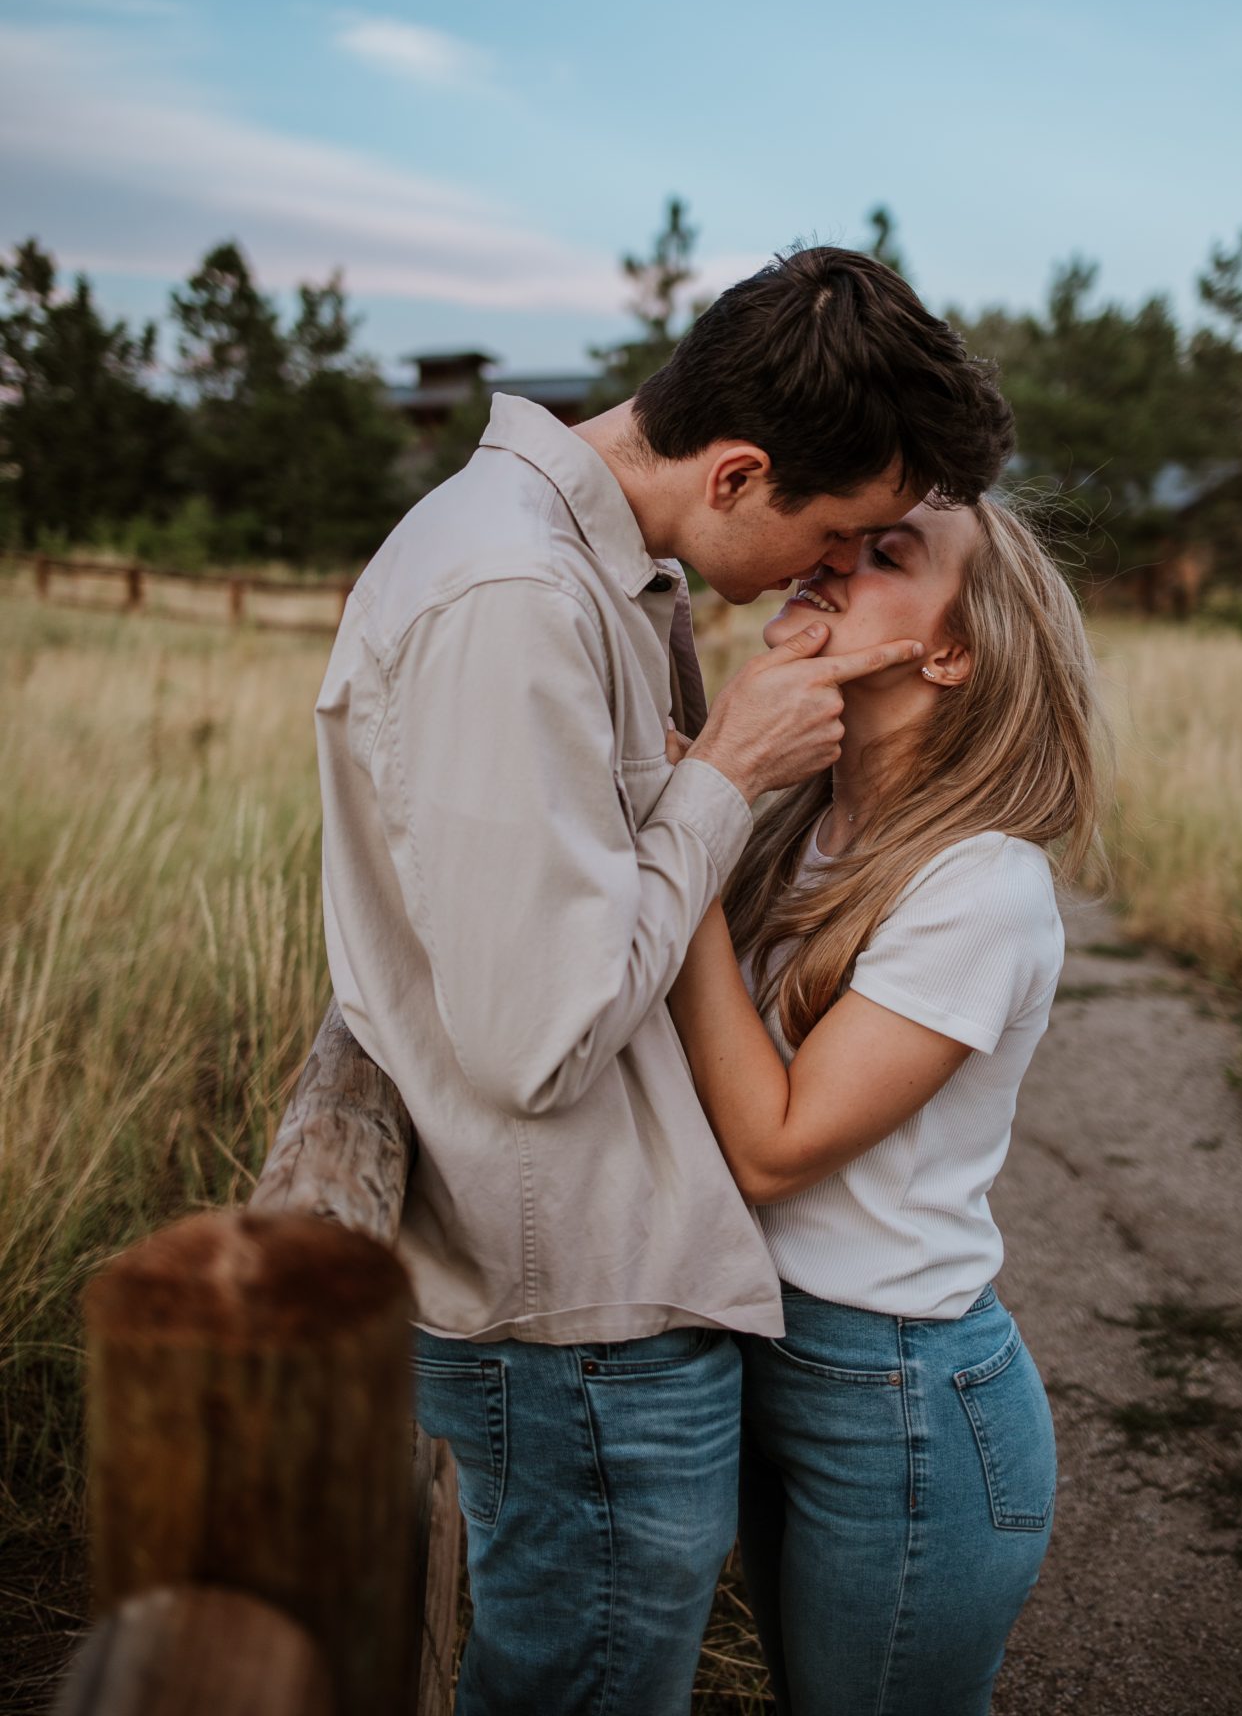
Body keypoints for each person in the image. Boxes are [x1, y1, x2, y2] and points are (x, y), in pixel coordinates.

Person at [315, 245, 1013, 1716]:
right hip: (575, 1308)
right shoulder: (513, 593)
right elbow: (536, 1038)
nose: (829, 568)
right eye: (841, 530)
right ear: (741, 471)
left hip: (608, 1299)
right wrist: (717, 781)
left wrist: (713, 793)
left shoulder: (581, 573)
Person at [666, 493, 1105, 1716]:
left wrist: (685, 833)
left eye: (888, 553)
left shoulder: (985, 883)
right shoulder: (799, 826)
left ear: (949, 650)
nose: (832, 556)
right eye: (839, 536)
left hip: (902, 1402)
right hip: (773, 1353)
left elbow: (773, 1143)